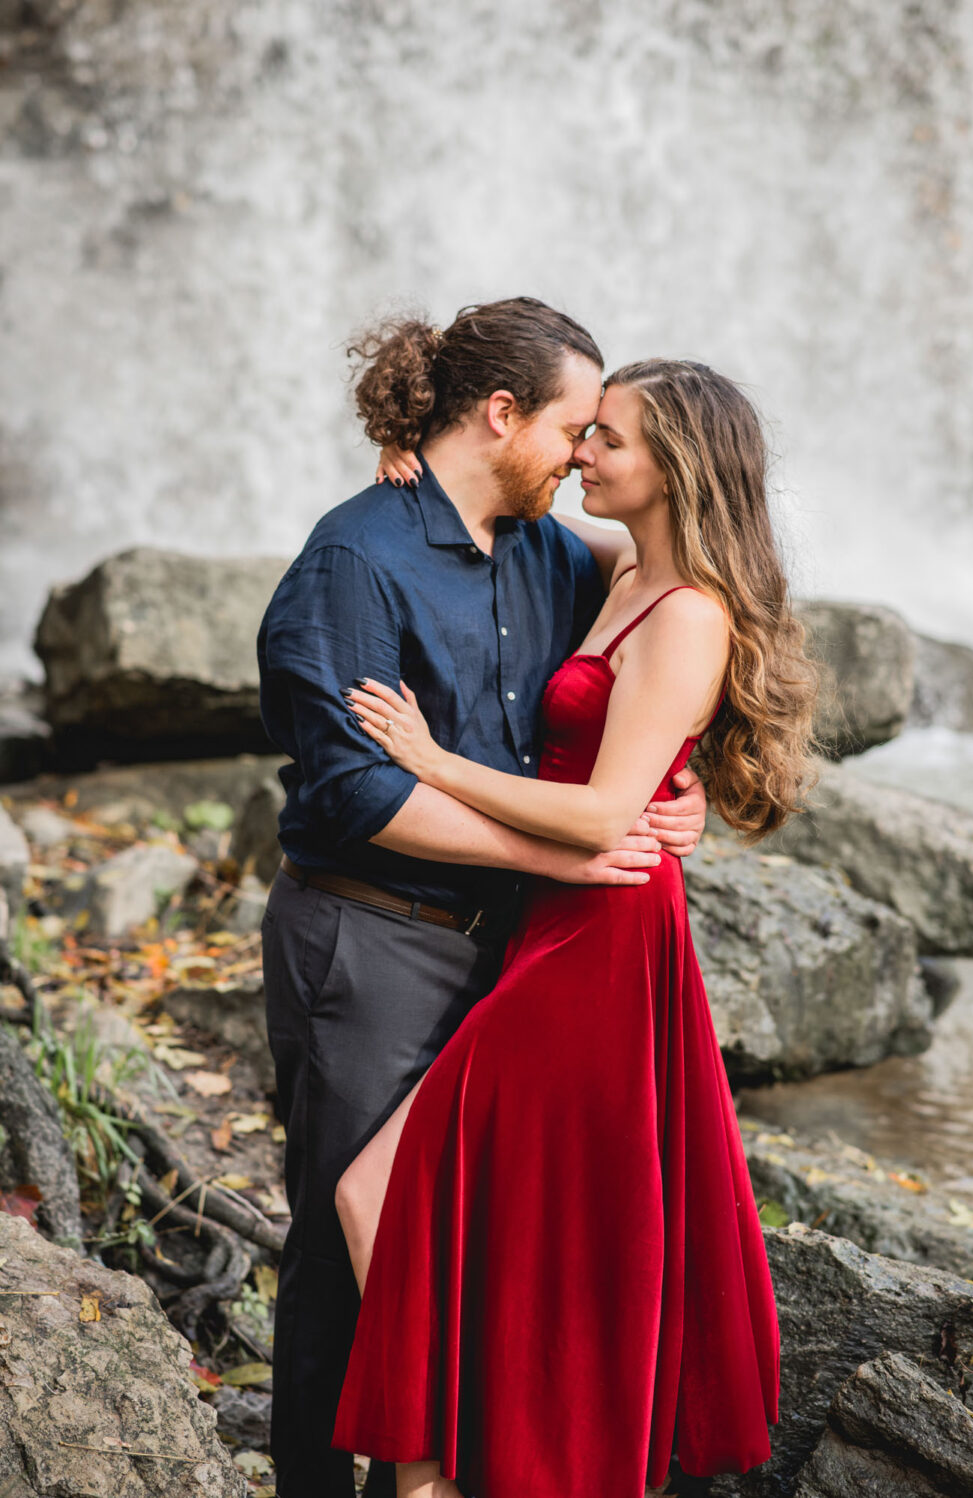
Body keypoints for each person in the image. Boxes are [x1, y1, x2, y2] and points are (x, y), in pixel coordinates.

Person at [332, 359, 817, 1498]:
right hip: (554, 920)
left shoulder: (688, 616)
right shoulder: (625, 568)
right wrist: (418, 473)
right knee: (518, 1220)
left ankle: (436, 1477)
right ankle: (460, 1465)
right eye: (582, 431)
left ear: (676, 469)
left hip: (597, 936)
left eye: (608, 439)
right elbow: (501, 512)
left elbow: (606, 810)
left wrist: (430, 761)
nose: (580, 453)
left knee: (382, 1191)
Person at [256, 300, 709, 1498]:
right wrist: (560, 859)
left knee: (474, 1243)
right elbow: (354, 791)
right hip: (372, 934)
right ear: (501, 414)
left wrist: (677, 781)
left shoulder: (557, 552)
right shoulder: (356, 558)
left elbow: (663, 625)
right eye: (572, 427)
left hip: (514, 954)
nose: (580, 453)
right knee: (347, 1251)